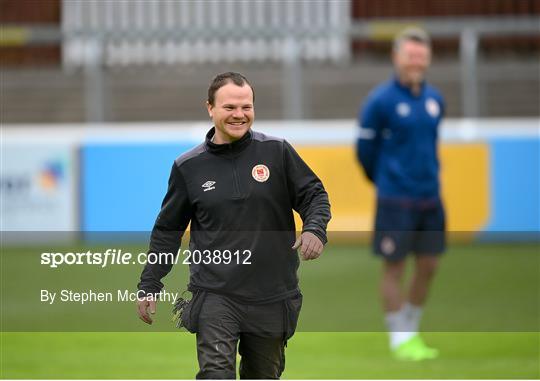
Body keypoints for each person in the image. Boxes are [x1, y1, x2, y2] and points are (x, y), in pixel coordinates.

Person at [137, 72, 331, 378]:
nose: (239, 115)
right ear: (210, 108)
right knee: (216, 373)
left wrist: (315, 228)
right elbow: (168, 231)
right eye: (230, 107)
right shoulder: (188, 167)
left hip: (273, 293)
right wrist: (150, 283)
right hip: (215, 293)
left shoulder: (277, 152)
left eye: (246, 107)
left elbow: (314, 195)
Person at [356, 27, 445, 361]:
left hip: (430, 197)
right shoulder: (380, 101)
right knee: (394, 268)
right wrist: (384, 180)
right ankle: (400, 338)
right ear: (397, 57)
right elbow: (364, 150)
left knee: (429, 265)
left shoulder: (436, 99)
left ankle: (411, 327)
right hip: (395, 199)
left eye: (421, 55)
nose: (416, 61)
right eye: (410, 55)